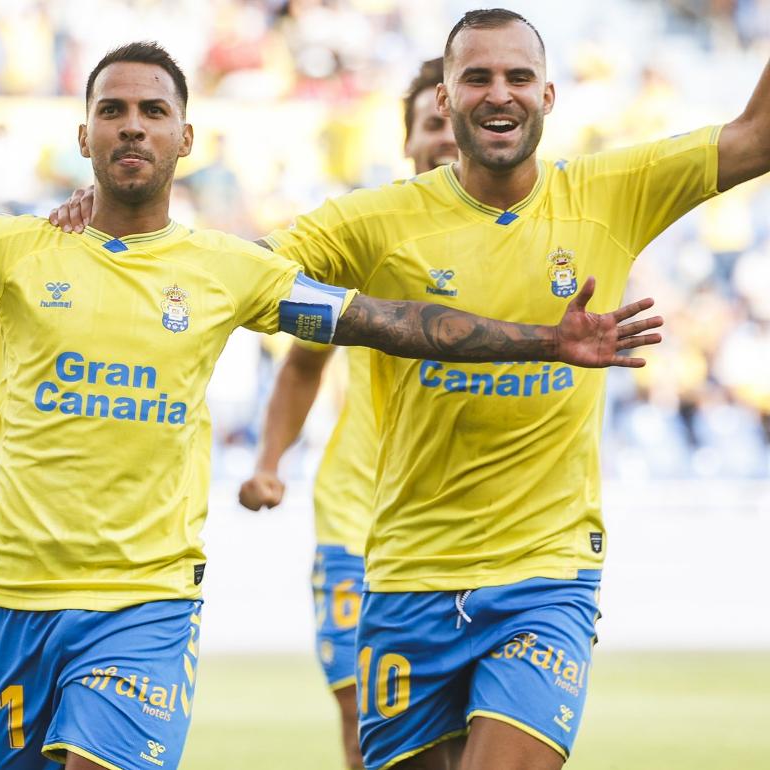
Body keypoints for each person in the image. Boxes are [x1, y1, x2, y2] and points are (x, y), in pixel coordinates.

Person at [0, 42, 662, 770]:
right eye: (113, 110)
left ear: (187, 138)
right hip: (8, 601)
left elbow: (387, 321)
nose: (133, 125)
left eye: (155, 110)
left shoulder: (235, 268)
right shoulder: (10, 247)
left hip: (142, 607)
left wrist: (546, 341)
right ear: (84, 134)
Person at [47, 11, 770, 769]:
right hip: (404, 576)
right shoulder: (373, 224)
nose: (501, 94)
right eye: (478, 78)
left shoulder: (612, 190)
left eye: (519, 77)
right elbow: (229, 272)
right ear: (446, 100)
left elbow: (754, 136)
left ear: (550, 95)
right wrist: (108, 220)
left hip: (544, 573)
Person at [236, 57, 452, 770]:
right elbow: (303, 364)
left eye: (457, 121)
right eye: (432, 123)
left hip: (470, 527)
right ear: (409, 142)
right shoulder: (366, 233)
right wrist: (269, 461)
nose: (448, 137)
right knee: (366, 722)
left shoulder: (534, 230)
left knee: (457, 736)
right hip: (358, 517)